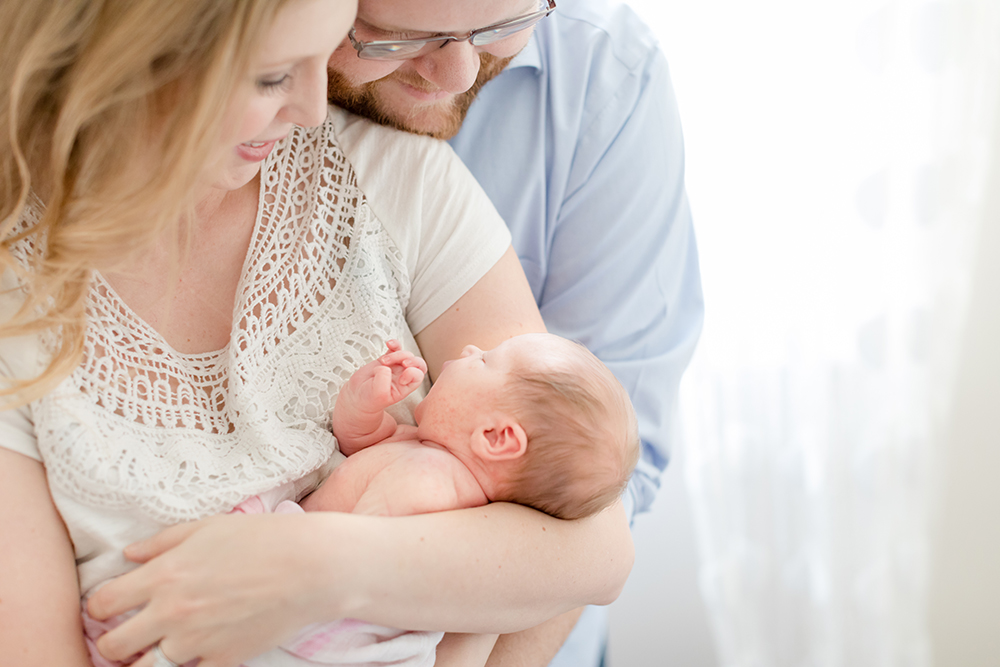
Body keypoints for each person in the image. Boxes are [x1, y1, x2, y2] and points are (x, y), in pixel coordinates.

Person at [0, 1, 636, 667]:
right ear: (128, 61)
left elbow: (595, 549)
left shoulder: (400, 182)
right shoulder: (21, 294)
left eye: (327, 48)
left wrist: (312, 562)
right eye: (273, 76)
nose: (314, 106)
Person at [325, 0, 705, 664]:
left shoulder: (607, 77)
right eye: (398, 37)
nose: (457, 70)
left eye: (501, 26)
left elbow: (603, 495)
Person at [83, 333, 640, 666]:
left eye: (486, 361)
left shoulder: (435, 484)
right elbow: (358, 445)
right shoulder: (425, 453)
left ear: (496, 437)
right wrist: (365, 402)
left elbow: (364, 547)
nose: (470, 347)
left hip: (328, 630)